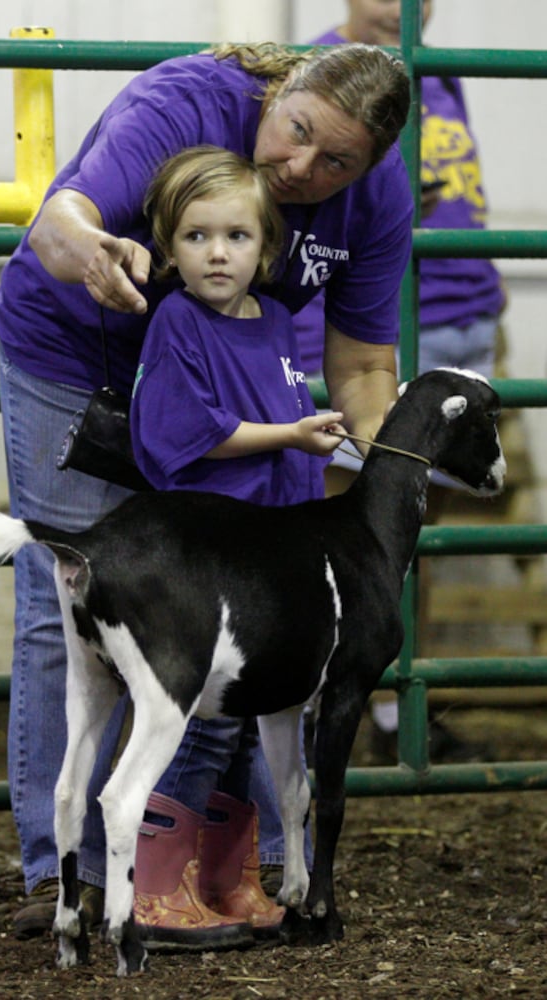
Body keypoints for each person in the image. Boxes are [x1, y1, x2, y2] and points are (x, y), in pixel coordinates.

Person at [0, 40, 413, 943]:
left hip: (229, 392)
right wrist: (90, 252)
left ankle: (183, 866)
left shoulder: (375, 198)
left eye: (336, 161)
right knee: (68, 595)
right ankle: (60, 869)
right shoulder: (184, 105)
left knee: (233, 615)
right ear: (282, 91)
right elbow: (59, 219)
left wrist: (390, 488)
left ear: (370, 167)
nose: (301, 169)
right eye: (297, 133)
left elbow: (366, 360)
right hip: (77, 351)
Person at [127, 145, 346, 946]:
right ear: (167, 244)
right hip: (210, 562)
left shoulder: (281, 322)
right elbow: (187, 433)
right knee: (204, 716)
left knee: (261, 711)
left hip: (273, 555)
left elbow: (288, 423)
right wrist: (293, 432)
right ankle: (158, 887)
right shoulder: (178, 322)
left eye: (237, 237)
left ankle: (229, 877)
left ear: (268, 248)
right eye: (195, 237)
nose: (217, 254)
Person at [289, 0, 506, 766]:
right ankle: (315, 695)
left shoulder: (441, 72)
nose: (397, 5)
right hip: (370, 338)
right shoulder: (320, 75)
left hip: (461, 319)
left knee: (410, 537)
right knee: (333, 533)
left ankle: (382, 708)